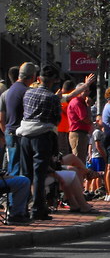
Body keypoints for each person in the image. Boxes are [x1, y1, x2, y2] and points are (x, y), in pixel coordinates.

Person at [16, 64, 63, 220]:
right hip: (42, 136)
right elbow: (57, 120)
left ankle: (21, 208)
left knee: (25, 174)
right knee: (39, 174)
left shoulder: (28, 93)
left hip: (25, 136)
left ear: (38, 79)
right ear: (52, 82)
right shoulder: (53, 98)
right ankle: (38, 208)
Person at [3, 63, 36, 176]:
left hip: (10, 132)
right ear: (32, 77)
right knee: (18, 169)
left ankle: (13, 193)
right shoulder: (25, 91)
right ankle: (15, 193)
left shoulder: (12, 89)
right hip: (17, 134)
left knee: (13, 166)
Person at [66, 75, 97, 164]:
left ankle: (81, 176)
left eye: (88, 91)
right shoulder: (76, 102)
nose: (87, 93)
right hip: (77, 133)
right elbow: (85, 118)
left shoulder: (84, 102)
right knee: (78, 158)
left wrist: (88, 106)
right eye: (84, 91)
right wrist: (92, 124)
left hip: (83, 132)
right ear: (78, 92)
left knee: (82, 158)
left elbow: (88, 117)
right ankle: (77, 176)